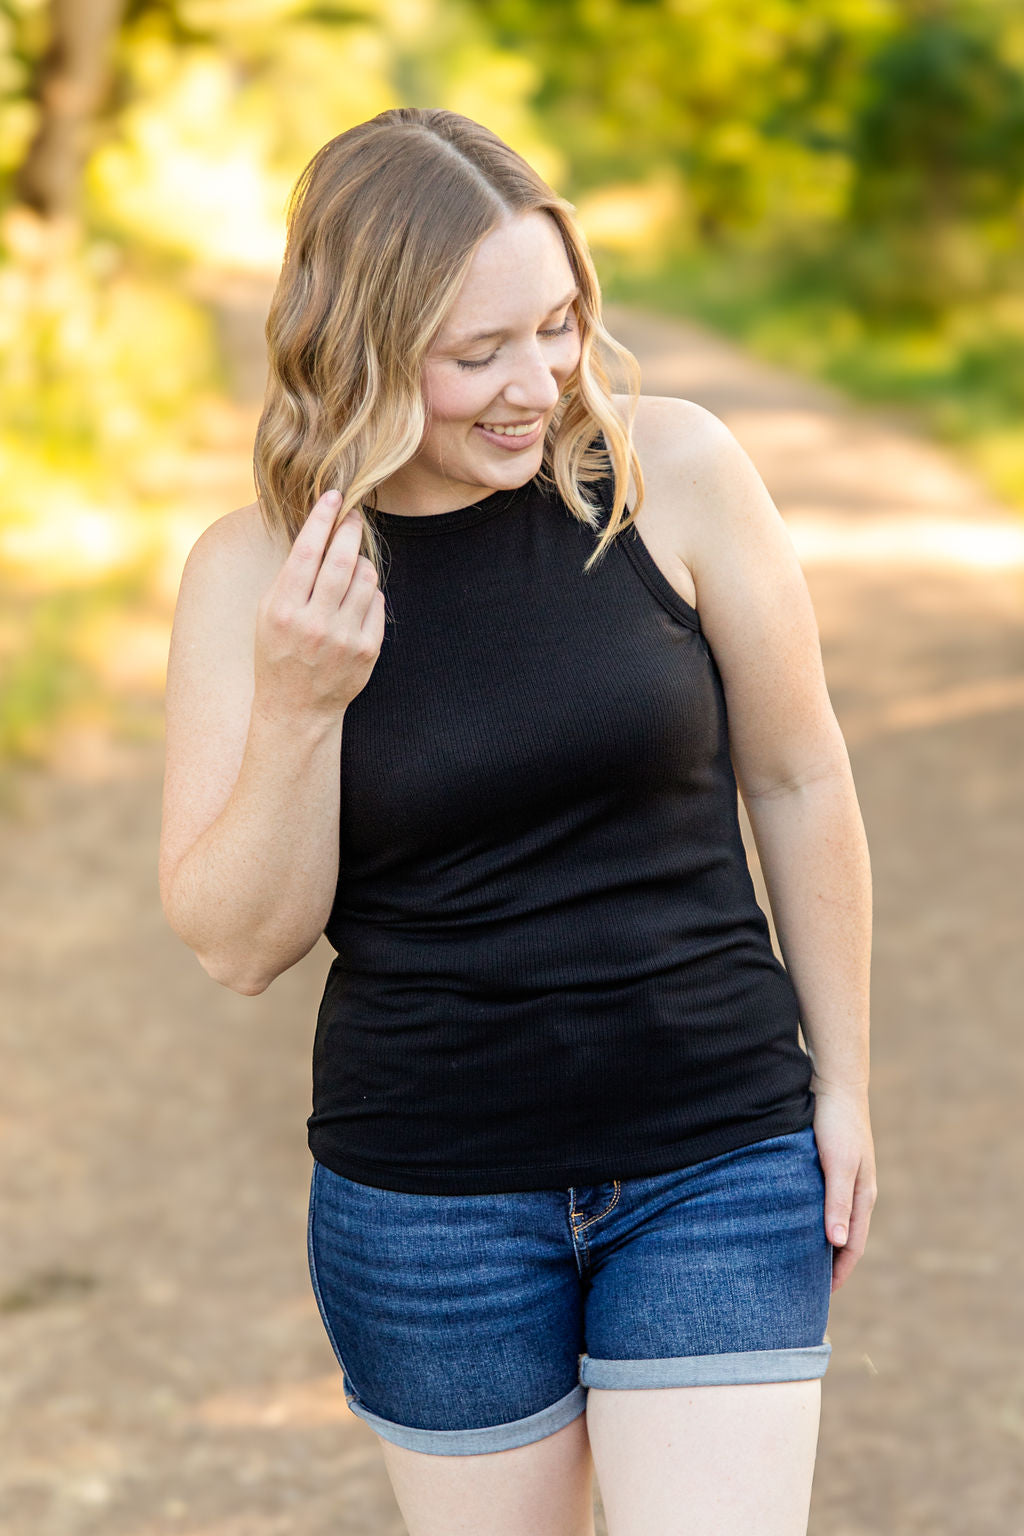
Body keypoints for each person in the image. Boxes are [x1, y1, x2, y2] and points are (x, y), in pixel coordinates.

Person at [159, 107, 877, 1536]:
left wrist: (844, 1085)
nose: (538, 383)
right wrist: (303, 705)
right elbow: (241, 944)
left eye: (557, 325)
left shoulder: (675, 474)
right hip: (430, 1206)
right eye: (476, 353)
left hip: (717, 1154)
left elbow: (800, 779)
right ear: (355, 349)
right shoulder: (253, 577)